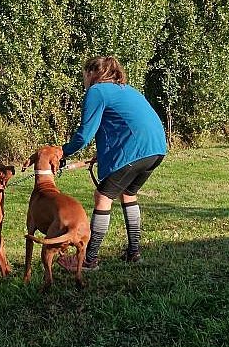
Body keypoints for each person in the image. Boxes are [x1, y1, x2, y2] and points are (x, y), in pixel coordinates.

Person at [57, 56, 167, 272]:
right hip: (157, 148)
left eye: (84, 76)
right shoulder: (127, 89)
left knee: (103, 197)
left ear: (91, 73)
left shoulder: (97, 91)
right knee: (128, 193)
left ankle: (89, 261)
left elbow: (85, 134)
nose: (84, 81)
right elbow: (125, 125)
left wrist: (63, 151)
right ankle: (133, 253)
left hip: (136, 149)